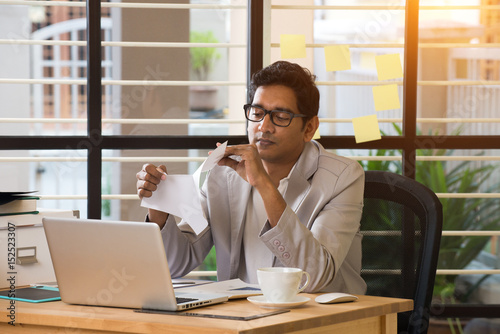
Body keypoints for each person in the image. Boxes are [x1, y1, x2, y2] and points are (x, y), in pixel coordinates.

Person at [136, 60, 366, 294]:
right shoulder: (219, 171)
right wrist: (159, 210)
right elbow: (175, 264)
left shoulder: (343, 177)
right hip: (243, 319)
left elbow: (316, 277)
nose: (264, 126)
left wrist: (263, 185)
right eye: (257, 113)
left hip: (321, 320)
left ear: (309, 128)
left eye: (281, 116)